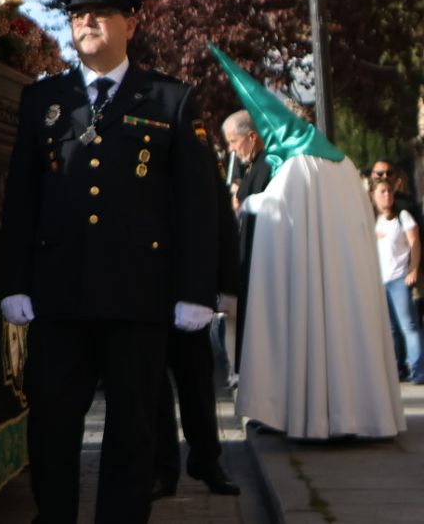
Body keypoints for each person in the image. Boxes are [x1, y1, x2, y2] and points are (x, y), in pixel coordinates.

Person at [0, 0, 217, 524]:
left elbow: (196, 205)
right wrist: (15, 282)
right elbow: (22, 198)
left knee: (133, 430)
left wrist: (195, 290)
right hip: (59, 296)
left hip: (137, 296)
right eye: (78, 15)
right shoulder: (44, 100)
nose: (87, 22)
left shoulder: (169, 99)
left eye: (100, 13)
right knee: (51, 426)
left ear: (131, 24)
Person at [212, 45, 405, 439]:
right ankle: (361, 415)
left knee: (309, 337)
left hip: (309, 279)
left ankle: (314, 417)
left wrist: (247, 203)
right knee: (350, 334)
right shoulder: (342, 162)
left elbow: (271, 208)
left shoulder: (296, 166)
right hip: (347, 278)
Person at [154, 161, 242, 498]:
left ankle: (206, 459)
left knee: (198, 382)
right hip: (146, 287)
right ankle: (162, 468)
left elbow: (220, 216)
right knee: (152, 386)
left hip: (188, 287)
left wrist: (227, 284)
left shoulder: (194, 152)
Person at [224, 109, 270, 375]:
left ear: (251, 137)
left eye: (233, 141)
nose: (231, 149)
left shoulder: (268, 166)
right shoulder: (254, 167)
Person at [371, 179, 423, 383]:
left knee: (408, 325)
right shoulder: (373, 220)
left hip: (398, 278)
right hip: (379, 281)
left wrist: (413, 269)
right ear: (373, 196)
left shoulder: (402, 217)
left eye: (389, 191)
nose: (387, 195)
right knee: (390, 328)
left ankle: (418, 369)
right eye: (382, 192)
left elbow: (415, 243)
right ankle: (396, 368)